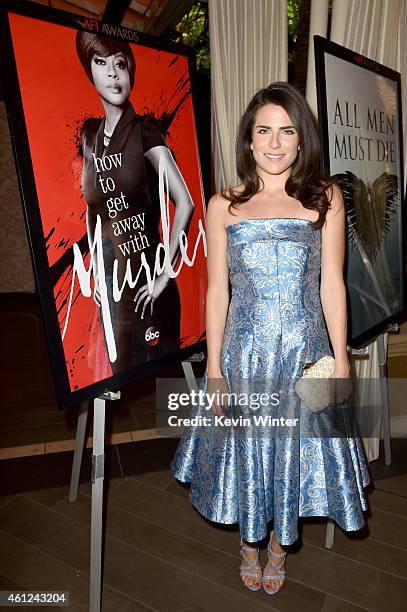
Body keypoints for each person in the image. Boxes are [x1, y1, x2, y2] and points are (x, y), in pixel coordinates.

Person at [170, 82, 370, 595]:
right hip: (246, 354)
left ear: (302, 140)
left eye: (287, 131)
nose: (275, 143)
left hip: (305, 355)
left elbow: (332, 285)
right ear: (249, 139)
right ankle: (249, 543)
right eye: (264, 131)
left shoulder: (326, 198)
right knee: (251, 450)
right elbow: (217, 292)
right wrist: (214, 369)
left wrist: (341, 362)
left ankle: (280, 545)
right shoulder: (222, 206)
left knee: (295, 452)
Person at [76, 32, 194, 374]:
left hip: (146, 280)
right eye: (102, 64)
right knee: (117, 373)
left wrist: (163, 276)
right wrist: (98, 270)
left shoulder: (146, 131)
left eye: (120, 65)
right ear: (91, 72)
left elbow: (184, 202)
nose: (113, 74)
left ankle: (196, 428)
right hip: (112, 282)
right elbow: (92, 210)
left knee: (165, 382)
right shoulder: (90, 136)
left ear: (131, 74)